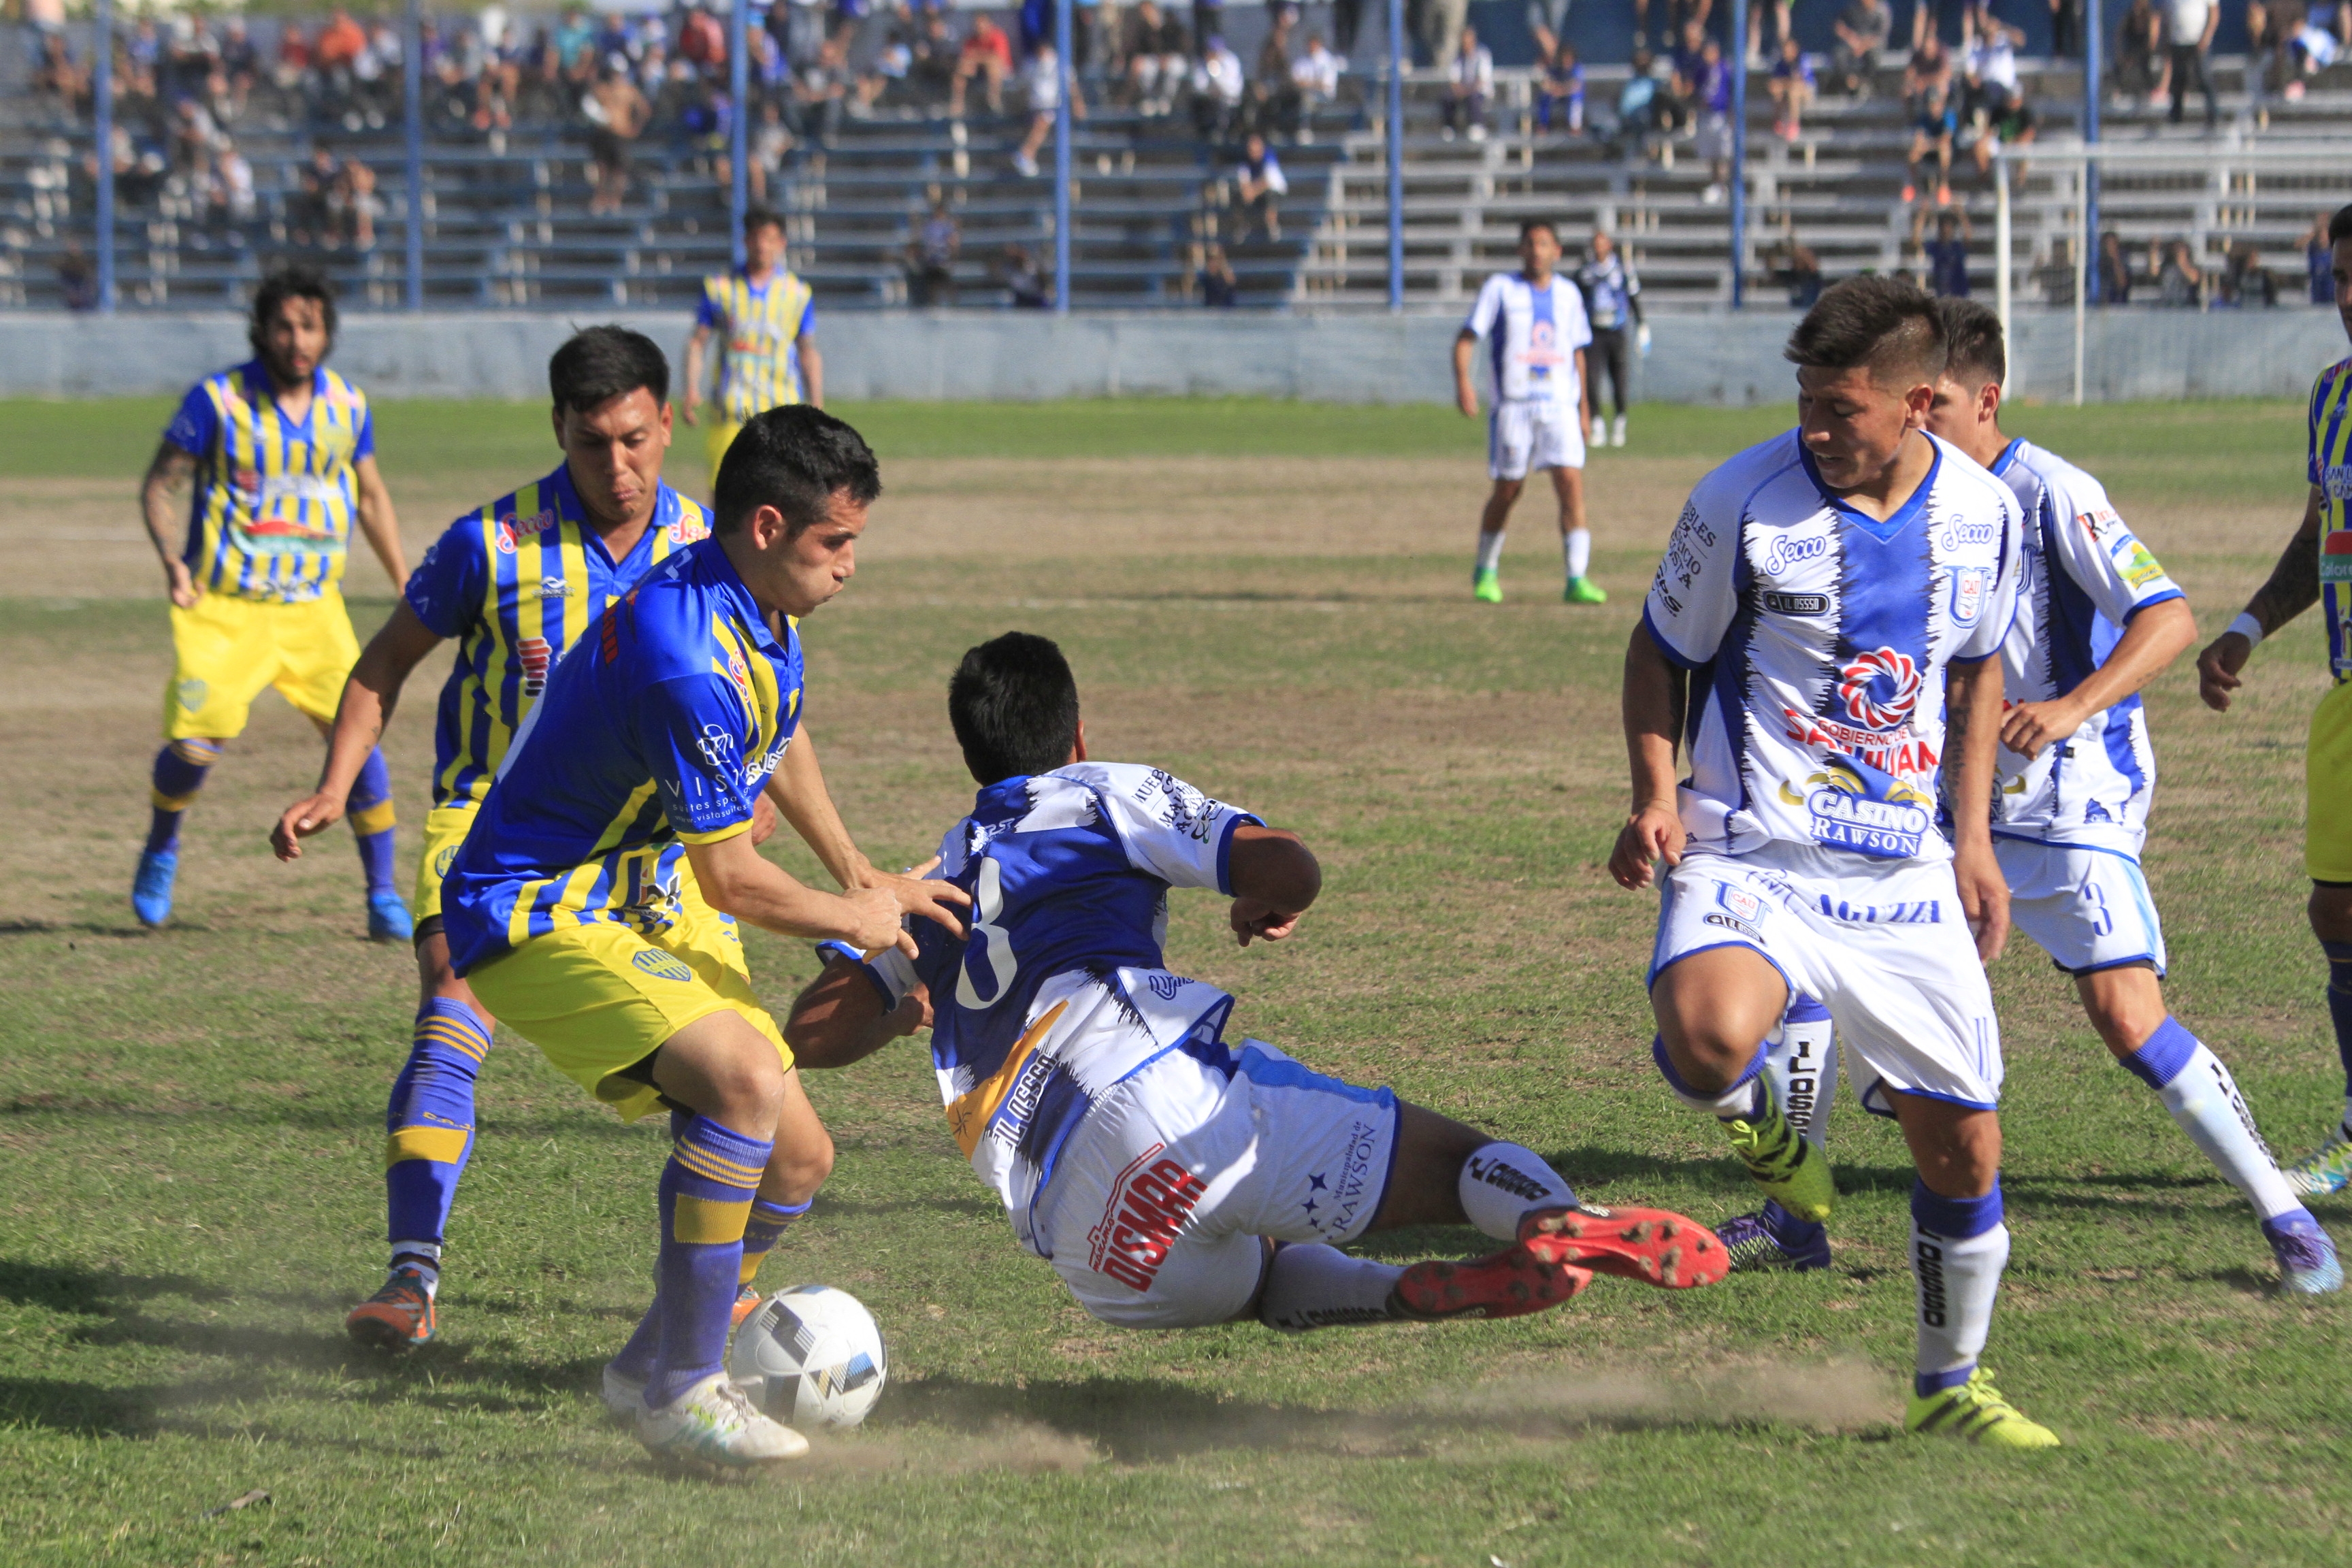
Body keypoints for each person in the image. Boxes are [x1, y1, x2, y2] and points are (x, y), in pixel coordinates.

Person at [783, 633, 1729, 1341]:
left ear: (971, 761)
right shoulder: (1102, 790)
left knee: (1262, 1277)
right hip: (1159, 1100)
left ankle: (1403, 1294)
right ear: (1078, 733)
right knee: (1454, 1167)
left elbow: (813, 1031)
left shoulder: (934, 874)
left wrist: (905, 1004)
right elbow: (1291, 868)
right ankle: (1563, 1223)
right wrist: (1264, 898)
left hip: (1084, 1239)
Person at [1719, 299, 2346, 1293]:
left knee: (2127, 1017)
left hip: (2069, 798)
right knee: (1810, 978)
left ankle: (2286, 1216)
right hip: (1940, 805)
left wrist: (2066, 708)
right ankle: (1796, 1218)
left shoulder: (2051, 491)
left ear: (1985, 400)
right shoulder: (1889, 498)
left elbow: (2167, 617)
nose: (1918, 426)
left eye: (1937, 407)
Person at [439, 407, 969, 1468]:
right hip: (533, 906)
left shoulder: (749, 602)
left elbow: (780, 730)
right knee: (742, 1079)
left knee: (799, 1159)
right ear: (769, 526)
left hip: (634, 893)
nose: (850, 565)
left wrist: (861, 874)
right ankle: (685, 1391)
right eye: (836, 541)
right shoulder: (686, 656)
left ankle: (644, 1367)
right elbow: (731, 880)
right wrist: (855, 920)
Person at [272, 329, 822, 1348]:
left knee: (737, 1078)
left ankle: (699, 1305)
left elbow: (758, 702)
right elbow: (383, 663)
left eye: (634, 440)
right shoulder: (491, 544)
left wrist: (762, 803)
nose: (616, 467)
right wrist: (334, 785)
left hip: (657, 851)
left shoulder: (714, 544)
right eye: (589, 443)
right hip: (496, 831)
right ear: (558, 430)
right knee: (451, 1006)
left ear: (669, 423)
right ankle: (410, 1277)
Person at [1613, 276, 2061, 1448]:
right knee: (1706, 1037)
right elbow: (1658, 653)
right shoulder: (1742, 499)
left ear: (1916, 402)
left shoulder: (1985, 510)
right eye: (1805, 401)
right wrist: (1655, 795)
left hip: (1903, 872)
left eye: (1839, 408)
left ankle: (1948, 1384)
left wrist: (1972, 839)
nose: (1813, 428)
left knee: (1964, 1149)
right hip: (1749, 847)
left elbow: (1977, 671)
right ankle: (1775, 1140)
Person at [132, 266, 407, 938]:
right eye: (284, 326)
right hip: (226, 607)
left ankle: (382, 895)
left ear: (326, 332)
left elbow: (371, 496)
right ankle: (162, 847)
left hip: (315, 608)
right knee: (195, 746)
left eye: (309, 326)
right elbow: (160, 485)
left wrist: (405, 580)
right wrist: (172, 563)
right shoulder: (218, 401)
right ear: (262, 330)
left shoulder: (348, 406)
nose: (297, 340)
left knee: (357, 743)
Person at [2194, 206, 2352, 1196]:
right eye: (2342, 277)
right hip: (2348, 695)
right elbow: (2315, 535)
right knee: (2337, 911)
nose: (2351, 297)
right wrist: (2248, 626)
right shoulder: (2332, 396)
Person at [1456, 219, 1597, 606]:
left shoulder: (1569, 294)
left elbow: (1578, 353)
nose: (1537, 250)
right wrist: (1464, 383)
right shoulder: (1500, 289)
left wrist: (1585, 409)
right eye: (1531, 243)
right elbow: (1466, 338)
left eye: (1544, 243)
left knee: (1570, 483)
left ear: (1557, 252)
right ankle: (1486, 569)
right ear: (1521, 250)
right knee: (1508, 489)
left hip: (1559, 406)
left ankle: (1577, 577)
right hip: (1514, 406)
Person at [683, 208, 821, 494]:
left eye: (769, 238)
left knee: (781, 496)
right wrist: (691, 388)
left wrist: (816, 404)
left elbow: (807, 350)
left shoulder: (797, 293)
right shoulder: (720, 288)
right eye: (756, 237)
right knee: (726, 495)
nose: (762, 246)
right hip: (731, 410)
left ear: (781, 243)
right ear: (745, 240)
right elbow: (698, 342)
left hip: (781, 412)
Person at [1575, 231, 1646, 448]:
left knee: (1619, 379)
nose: (1599, 248)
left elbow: (1634, 297)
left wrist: (1642, 324)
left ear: (1609, 246)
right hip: (1593, 332)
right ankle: (1597, 424)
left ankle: (1619, 423)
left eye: (1602, 243)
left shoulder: (1623, 269)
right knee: (1591, 379)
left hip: (1616, 330)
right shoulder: (1585, 271)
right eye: (1596, 244)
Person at [2155, 0, 2217, 127]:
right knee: (2178, 80)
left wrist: (2206, 37)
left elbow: (2214, 13)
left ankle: (2213, 115)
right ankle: (2176, 117)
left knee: (2204, 78)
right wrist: (2165, 39)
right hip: (2177, 41)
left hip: (2198, 41)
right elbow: (2166, 15)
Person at [1904, 76, 1957, 208]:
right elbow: (1919, 137)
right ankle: (1913, 186)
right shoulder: (1924, 118)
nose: (1933, 107)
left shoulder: (1948, 115)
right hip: (1930, 150)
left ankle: (1944, 186)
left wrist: (1928, 144)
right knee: (1914, 152)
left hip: (1949, 152)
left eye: (1935, 103)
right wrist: (1925, 145)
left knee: (1944, 149)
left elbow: (1946, 138)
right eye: (1930, 104)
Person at [950, 11, 1011, 116]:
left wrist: (978, 58)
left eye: (982, 23)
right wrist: (978, 59)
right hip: (978, 72)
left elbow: (998, 58)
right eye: (976, 23)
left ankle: (994, 102)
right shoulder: (971, 40)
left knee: (992, 65)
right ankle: (958, 105)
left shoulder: (998, 36)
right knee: (961, 70)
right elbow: (966, 58)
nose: (979, 26)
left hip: (1002, 71)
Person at [1229, 131, 1286, 242]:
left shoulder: (1269, 157)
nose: (1254, 152)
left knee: (1270, 197)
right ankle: (1241, 226)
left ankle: (1272, 227)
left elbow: (1268, 182)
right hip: (1255, 194)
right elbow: (1243, 181)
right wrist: (1248, 192)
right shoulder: (1245, 160)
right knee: (1236, 196)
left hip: (1273, 191)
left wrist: (1252, 192)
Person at [1831, 0, 1892, 95]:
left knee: (1873, 57)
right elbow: (1839, 26)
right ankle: (1849, 82)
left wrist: (1863, 47)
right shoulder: (1852, 7)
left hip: (1872, 46)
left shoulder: (1882, 10)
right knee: (1839, 54)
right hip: (1853, 43)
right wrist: (1850, 38)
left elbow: (1880, 36)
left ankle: (1864, 84)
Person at [1442, 24, 1492, 140]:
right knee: (1447, 97)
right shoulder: (1458, 57)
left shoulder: (1482, 55)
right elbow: (1454, 79)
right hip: (1464, 92)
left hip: (1480, 93)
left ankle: (1477, 125)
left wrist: (1466, 91)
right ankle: (1449, 128)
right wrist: (1460, 91)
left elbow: (1481, 81)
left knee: (1473, 97)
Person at [909, 200, 960, 305]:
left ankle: (954, 306)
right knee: (932, 287)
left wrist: (952, 257)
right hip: (931, 261)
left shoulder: (948, 226)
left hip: (943, 261)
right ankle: (934, 306)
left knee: (947, 285)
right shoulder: (929, 226)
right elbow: (922, 240)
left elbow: (953, 242)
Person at [1768, 34, 1814, 140]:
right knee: (1777, 91)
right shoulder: (1781, 63)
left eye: (1789, 49)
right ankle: (1778, 122)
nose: (1786, 52)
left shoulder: (1802, 59)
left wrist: (1784, 83)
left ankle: (1794, 124)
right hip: (1787, 90)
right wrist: (1782, 84)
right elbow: (1773, 83)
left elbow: (1800, 82)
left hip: (1807, 91)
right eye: (1785, 50)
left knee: (1794, 91)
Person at [1537, 39, 1585, 133]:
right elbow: (1545, 83)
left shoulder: (1577, 69)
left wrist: (1562, 91)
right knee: (1544, 97)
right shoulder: (1555, 68)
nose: (1566, 61)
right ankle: (1543, 126)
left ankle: (1575, 127)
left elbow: (1577, 85)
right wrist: (1553, 88)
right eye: (1564, 58)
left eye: (1569, 58)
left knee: (1577, 96)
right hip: (1556, 95)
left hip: (1568, 95)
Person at [1922, 208, 1971, 296]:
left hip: (1959, 294)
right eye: (1943, 228)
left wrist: (1961, 214)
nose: (1946, 231)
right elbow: (1916, 241)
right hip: (1942, 293)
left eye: (1949, 228)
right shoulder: (1936, 247)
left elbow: (1968, 237)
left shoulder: (1957, 247)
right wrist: (1923, 214)